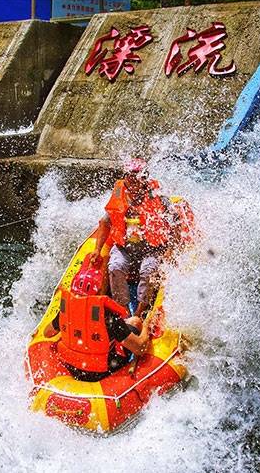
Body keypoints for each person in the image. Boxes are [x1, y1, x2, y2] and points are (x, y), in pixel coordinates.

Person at [90, 158, 191, 318]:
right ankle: (122, 311)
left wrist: (171, 249)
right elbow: (104, 222)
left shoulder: (158, 198)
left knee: (148, 271)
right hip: (125, 247)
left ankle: (139, 313)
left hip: (152, 248)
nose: (133, 180)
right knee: (115, 266)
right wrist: (97, 249)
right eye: (130, 176)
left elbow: (176, 221)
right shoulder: (119, 194)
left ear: (144, 178)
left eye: (137, 176)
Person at [42, 257, 154, 382]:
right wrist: (146, 325)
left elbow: (47, 333)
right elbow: (140, 348)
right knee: (135, 322)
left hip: (72, 367)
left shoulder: (66, 309)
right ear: (99, 291)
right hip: (103, 371)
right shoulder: (109, 317)